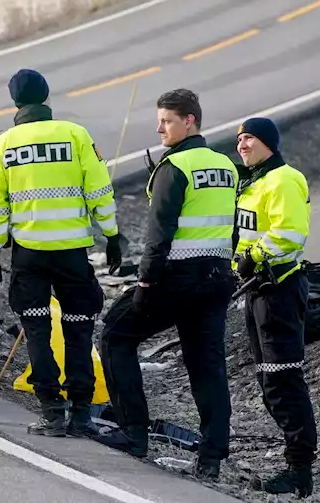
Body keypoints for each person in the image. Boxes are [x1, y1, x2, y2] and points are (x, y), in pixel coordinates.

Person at [97, 89, 235, 481]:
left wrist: (145, 282)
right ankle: (211, 458)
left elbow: (159, 234)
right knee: (207, 365)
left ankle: (133, 432)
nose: (159, 128)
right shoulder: (225, 165)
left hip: (175, 277)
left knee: (116, 335)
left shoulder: (175, 168)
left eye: (167, 121)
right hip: (217, 277)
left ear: (189, 120)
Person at [0, 68, 119, 437]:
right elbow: (99, 190)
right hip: (72, 253)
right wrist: (112, 234)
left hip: (30, 255)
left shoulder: (2, 146)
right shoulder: (75, 135)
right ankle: (82, 414)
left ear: (14, 102)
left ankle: (51, 412)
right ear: (46, 96)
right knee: (78, 330)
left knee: (38, 331)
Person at [234, 117, 317, 497]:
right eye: (239, 138)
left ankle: (299, 471)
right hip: (258, 291)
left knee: (284, 380)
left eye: (249, 137)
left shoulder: (283, 179)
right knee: (270, 380)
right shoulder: (254, 183)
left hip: (279, 291)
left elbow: (288, 233)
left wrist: (256, 255)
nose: (242, 144)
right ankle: (294, 459)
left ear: (268, 142)